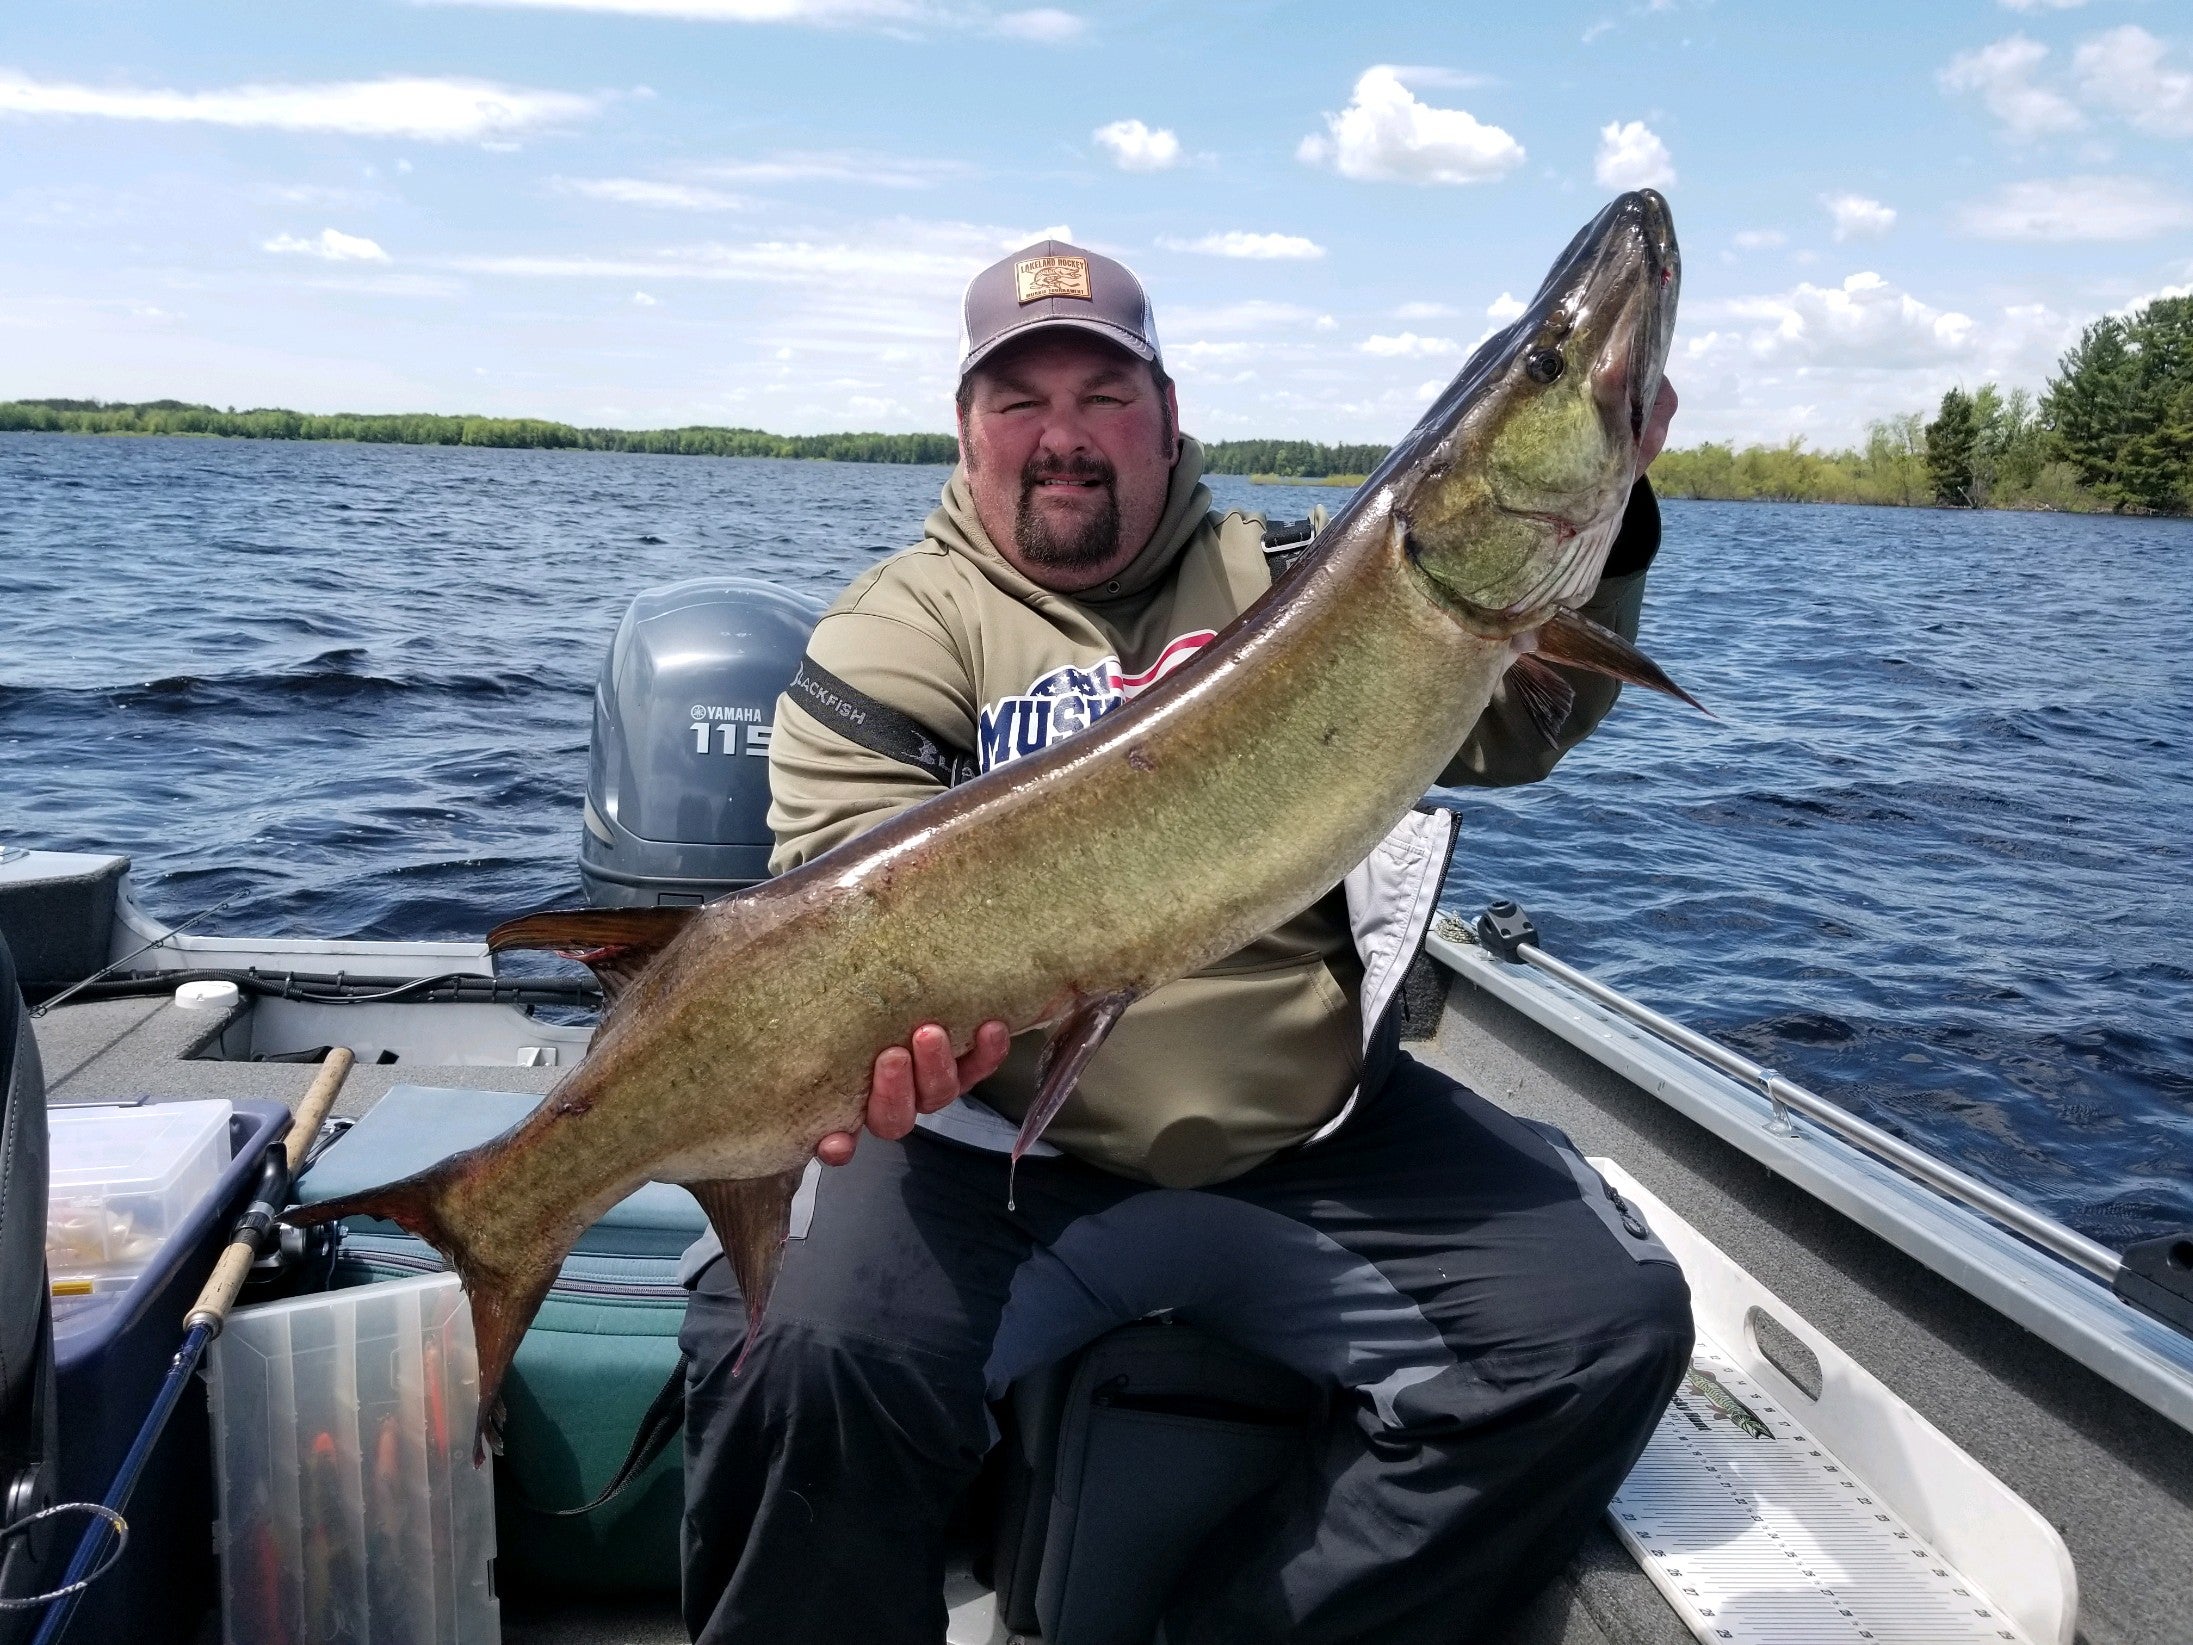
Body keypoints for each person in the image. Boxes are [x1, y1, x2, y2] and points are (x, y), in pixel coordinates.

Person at [678, 239, 1691, 1644]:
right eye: (1018, 400)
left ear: (1166, 413)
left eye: (1103, 393)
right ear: (965, 428)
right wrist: (870, 1056)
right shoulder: (894, 632)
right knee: (785, 1360)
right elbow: (837, 926)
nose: (1063, 437)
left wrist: (1611, 504)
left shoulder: (1300, 573)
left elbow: (1523, 728)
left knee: (1601, 1334)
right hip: (992, 1158)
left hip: (1317, 1137)